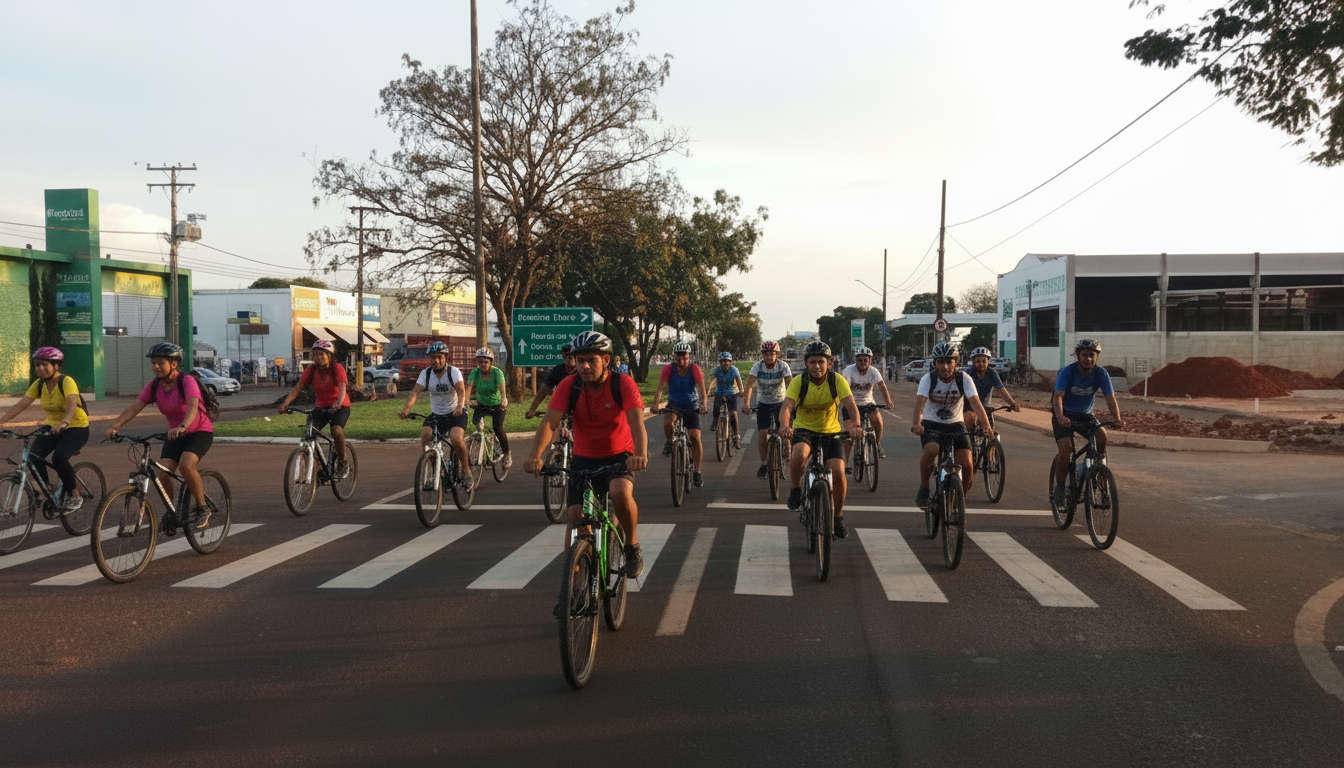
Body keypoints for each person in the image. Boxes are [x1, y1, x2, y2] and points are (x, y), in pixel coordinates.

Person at [525, 331, 648, 582]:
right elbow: (550, 422)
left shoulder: (622, 384)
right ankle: (573, 586)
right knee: (575, 516)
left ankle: (632, 544)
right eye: (580, 360)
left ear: (606, 360)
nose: (584, 366)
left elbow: (636, 422)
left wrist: (640, 454)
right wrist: (535, 456)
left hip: (619, 456)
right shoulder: (569, 385)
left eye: (591, 360)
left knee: (619, 492)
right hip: (583, 459)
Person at [105, 342, 215, 529]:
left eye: (160, 363)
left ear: (174, 364)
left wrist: (182, 426)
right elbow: (135, 407)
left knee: (186, 465)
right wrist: (115, 426)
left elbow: (193, 406)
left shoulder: (186, 381)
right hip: (175, 435)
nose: (155, 367)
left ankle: (202, 507)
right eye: (153, 363)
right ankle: (172, 512)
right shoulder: (154, 386)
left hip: (199, 431)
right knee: (162, 473)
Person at [779, 341, 863, 538]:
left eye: (821, 362)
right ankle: (796, 489)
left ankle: (838, 517)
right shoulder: (799, 381)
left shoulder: (837, 381)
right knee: (799, 454)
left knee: (838, 471)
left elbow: (850, 405)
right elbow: (787, 407)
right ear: (805, 363)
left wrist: (857, 426)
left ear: (829, 363)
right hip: (804, 429)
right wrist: (785, 426)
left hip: (831, 432)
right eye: (812, 362)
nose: (817, 366)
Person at [0, 347, 90, 511]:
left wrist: (64, 422)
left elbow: (71, 403)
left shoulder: (66, 381)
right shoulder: (39, 384)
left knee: (59, 458)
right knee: (33, 457)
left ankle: (74, 494)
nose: (40, 368)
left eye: (44, 365)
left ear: (56, 366)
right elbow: (21, 404)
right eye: (37, 365)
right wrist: (2, 421)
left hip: (76, 427)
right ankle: (48, 488)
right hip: (51, 427)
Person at [911, 343, 994, 508]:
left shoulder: (964, 379)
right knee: (932, 450)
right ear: (935, 363)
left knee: (967, 465)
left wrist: (986, 426)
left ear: (957, 362)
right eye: (941, 362)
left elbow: (976, 404)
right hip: (932, 423)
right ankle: (924, 487)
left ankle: (959, 502)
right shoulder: (928, 379)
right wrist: (917, 423)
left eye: (949, 362)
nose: (945, 367)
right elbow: (919, 405)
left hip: (956, 424)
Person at [1051, 338, 1124, 506]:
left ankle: (1098, 470)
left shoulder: (1101, 373)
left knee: (1102, 436)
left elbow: (1110, 398)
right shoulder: (1067, 371)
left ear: (1097, 356)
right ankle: (1060, 487)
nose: (1088, 359)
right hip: (1064, 414)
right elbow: (1058, 396)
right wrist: (1060, 416)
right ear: (1078, 355)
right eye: (1084, 355)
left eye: (1092, 355)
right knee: (1066, 449)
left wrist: (1117, 419)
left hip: (1085, 415)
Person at [279, 340, 352, 478]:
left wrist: (338, 402)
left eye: (322, 354)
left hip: (340, 406)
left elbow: (342, 387)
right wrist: (286, 403)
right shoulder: (311, 370)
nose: (318, 357)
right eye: (316, 355)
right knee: (309, 434)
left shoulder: (337, 368)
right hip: (321, 407)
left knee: (336, 430)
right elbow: (298, 388)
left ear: (329, 355)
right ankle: (317, 467)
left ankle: (343, 461)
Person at [399, 341, 470, 479]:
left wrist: (460, 406)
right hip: (437, 414)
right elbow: (415, 392)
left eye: (439, 357)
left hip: (455, 412)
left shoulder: (453, 372)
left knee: (456, 438)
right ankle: (432, 471)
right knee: (425, 435)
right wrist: (406, 409)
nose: (436, 361)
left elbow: (461, 391)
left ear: (446, 357)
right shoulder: (426, 373)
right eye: (432, 358)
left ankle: (466, 471)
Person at [651, 340, 708, 487]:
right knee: (668, 421)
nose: (682, 361)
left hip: (692, 404)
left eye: (685, 357)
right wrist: (655, 404)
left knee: (695, 437)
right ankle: (670, 441)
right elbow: (661, 387)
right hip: (674, 403)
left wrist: (703, 405)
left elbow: (701, 389)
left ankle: (697, 471)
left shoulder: (695, 369)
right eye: (679, 357)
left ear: (689, 356)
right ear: (674, 357)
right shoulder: (668, 369)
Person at [742, 340, 793, 479]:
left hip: (780, 403)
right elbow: (749, 385)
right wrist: (746, 404)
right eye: (766, 354)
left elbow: (790, 385)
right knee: (763, 434)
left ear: (777, 355)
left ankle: (786, 448)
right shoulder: (757, 366)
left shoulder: (783, 366)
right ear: (763, 355)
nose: (769, 357)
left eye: (772, 354)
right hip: (763, 404)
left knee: (784, 430)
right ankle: (764, 463)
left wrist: (791, 404)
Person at [962, 347, 1020, 464]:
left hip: (985, 406)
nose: (981, 364)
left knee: (991, 431)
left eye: (984, 361)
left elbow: (1001, 390)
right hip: (969, 406)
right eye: (978, 361)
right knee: (970, 423)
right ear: (973, 362)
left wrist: (1012, 403)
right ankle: (970, 449)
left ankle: (991, 456)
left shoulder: (992, 373)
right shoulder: (968, 374)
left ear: (988, 361)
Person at [841, 346, 892, 467]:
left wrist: (888, 402)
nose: (863, 362)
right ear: (856, 360)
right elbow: (844, 389)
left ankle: (877, 445)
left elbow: (882, 386)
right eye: (860, 360)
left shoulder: (874, 371)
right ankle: (845, 465)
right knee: (849, 437)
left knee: (878, 421)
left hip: (868, 403)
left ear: (870, 360)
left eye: (865, 360)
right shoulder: (849, 371)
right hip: (851, 405)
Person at [466, 346, 510, 468]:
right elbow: (469, 387)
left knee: (497, 428)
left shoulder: (497, 372)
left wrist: (504, 399)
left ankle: (507, 454)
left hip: (497, 404)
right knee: (477, 423)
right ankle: (488, 447)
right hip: (482, 404)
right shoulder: (475, 373)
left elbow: (502, 388)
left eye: (486, 362)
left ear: (491, 362)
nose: (483, 364)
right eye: (480, 362)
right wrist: (464, 402)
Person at [524, 344, 576, 419]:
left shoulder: (583, 371)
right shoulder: (558, 370)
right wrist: (532, 409)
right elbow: (544, 390)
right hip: (562, 408)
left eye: (571, 355)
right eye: (565, 355)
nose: (568, 357)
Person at [710, 352, 743, 449]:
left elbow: (739, 382)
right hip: (720, 392)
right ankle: (715, 420)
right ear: (720, 362)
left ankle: (736, 437)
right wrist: (708, 391)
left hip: (732, 393)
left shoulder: (734, 370)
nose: (725, 363)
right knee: (716, 408)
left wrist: (741, 391)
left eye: (727, 361)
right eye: (723, 361)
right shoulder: (717, 371)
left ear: (730, 362)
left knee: (733, 414)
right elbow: (712, 382)